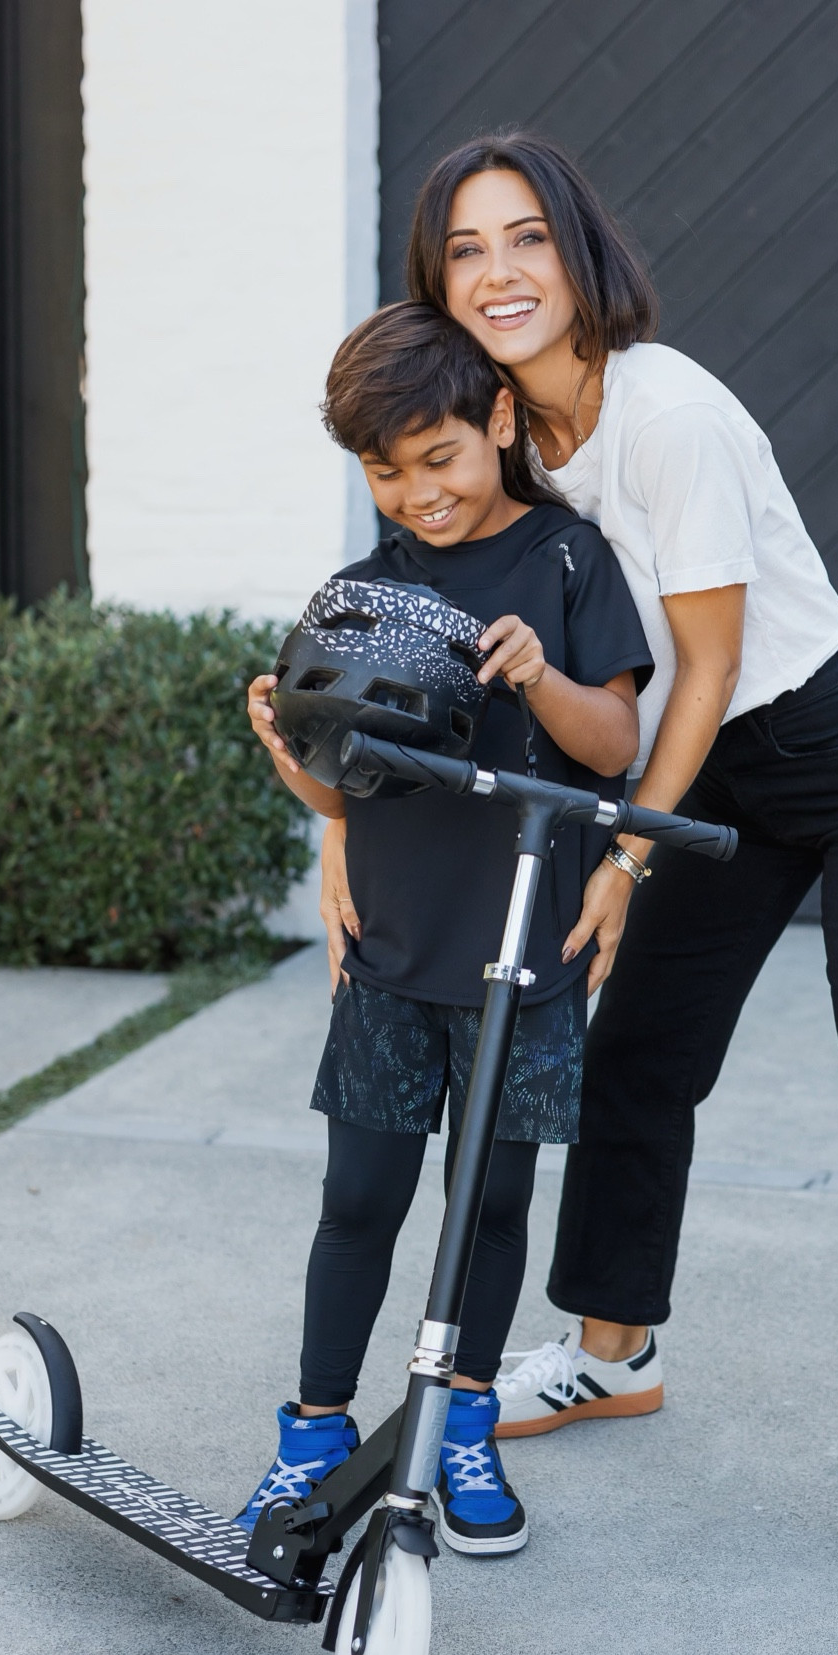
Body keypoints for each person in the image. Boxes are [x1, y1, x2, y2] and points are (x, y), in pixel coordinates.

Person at [319, 132, 838, 1604]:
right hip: (719, 779)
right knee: (635, 1055)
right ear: (436, 281)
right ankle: (611, 1355)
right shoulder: (498, 429)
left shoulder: (666, 411)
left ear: (576, 254)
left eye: (524, 241)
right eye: (464, 249)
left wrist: (620, 855)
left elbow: (695, 676)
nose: (497, 273)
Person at [240, 299, 652, 1557]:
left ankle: (461, 1421)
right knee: (359, 1196)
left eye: (441, 458)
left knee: (488, 1206)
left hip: (524, 960)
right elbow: (338, 786)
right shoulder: (358, 594)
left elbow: (614, 745)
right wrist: (283, 749)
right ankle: (312, 1430)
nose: (418, 493)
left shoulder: (570, 562)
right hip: (393, 953)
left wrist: (540, 675)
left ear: (500, 423)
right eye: (384, 470)